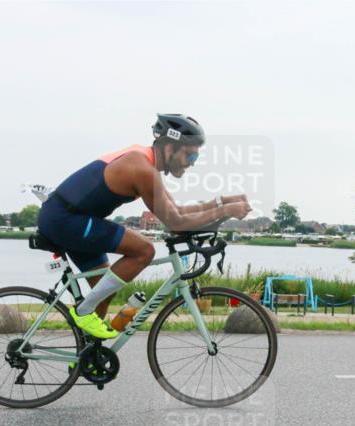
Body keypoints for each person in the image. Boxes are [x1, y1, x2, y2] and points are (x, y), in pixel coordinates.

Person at [36, 113, 252, 339]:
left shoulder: (146, 164)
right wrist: (225, 211)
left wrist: (221, 202)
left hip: (73, 219)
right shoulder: (141, 169)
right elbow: (175, 224)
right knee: (144, 250)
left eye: (195, 158)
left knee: (103, 291)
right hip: (66, 219)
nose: (191, 164)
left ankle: (86, 356)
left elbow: (177, 211)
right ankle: (82, 311)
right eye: (190, 156)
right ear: (170, 147)